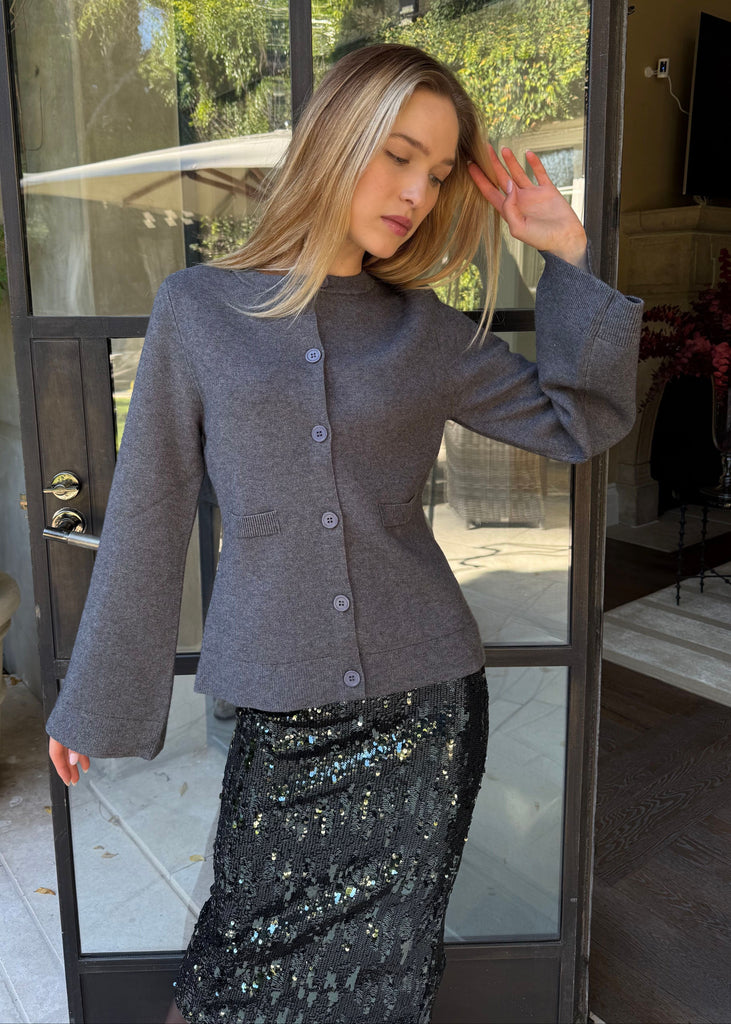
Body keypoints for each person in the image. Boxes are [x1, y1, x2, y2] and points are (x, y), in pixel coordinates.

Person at [46, 43, 642, 1024]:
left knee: (380, 989)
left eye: (439, 172)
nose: (416, 190)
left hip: (424, 718)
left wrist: (562, 258)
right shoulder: (199, 311)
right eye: (397, 154)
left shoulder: (427, 334)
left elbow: (578, 422)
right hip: (278, 717)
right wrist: (94, 700)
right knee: (227, 982)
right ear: (336, 140)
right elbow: (150, 512)